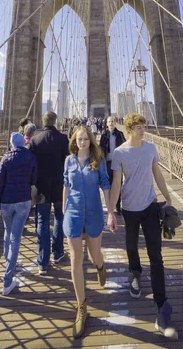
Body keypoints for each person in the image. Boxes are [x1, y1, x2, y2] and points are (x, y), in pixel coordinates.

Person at [107, 113, 178, 339]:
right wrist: (110, 211)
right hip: (129, 208)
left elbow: (157, 173)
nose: (142, 129)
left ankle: (161, 305)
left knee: (155, 255)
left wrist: (168, 197)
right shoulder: (119, 153)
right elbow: (117, 182)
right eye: (138, 126)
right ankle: (135, 273)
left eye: (143, 126)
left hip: (150, 206)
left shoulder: (150, 148)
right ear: (129, 129)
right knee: (130, 247)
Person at [63, 125, 111, 339]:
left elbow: (105, 184)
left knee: (93, 256)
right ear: (75, 140)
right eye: (79, 139)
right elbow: (65, 183)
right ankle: (81, 307)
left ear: (90, 141)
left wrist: (110, 211)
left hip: (93, 213)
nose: (82, 142)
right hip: (73, 213)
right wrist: (63, 209)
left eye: (85, 139)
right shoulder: (68, 160)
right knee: (75, 259)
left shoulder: (98, 161)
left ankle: (100, 266)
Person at [0, 132, 37, 296]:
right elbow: (33, 180)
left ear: (12, 144)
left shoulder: (6, 158)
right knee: (16, 238)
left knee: (8, 233)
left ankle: (9, 263)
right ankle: (8, 278)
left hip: (6, 202)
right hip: (23, 201)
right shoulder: (31, 157)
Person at [29, 111, 69, 274]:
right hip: (60, 186)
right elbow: (68, 162)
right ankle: (57, 252)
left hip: (41, 187)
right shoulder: (63, 139)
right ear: (55, 121)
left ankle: (43, 262)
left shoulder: (34, 140)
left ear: (43, 121)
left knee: (43, 221)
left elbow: (31, 165)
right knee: (59, 216)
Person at [99, 116, 125, 215]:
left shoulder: (120, 134)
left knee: (118, 184)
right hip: (107, 162)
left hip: (118, 162)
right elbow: (101, 148)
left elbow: (124, 147)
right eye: (109, 121)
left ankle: (118, 206)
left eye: (113, 121)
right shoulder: (104, 135)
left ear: (115, 123)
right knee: (108, 183)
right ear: (106, 123)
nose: (111, 123)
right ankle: (110, 204)